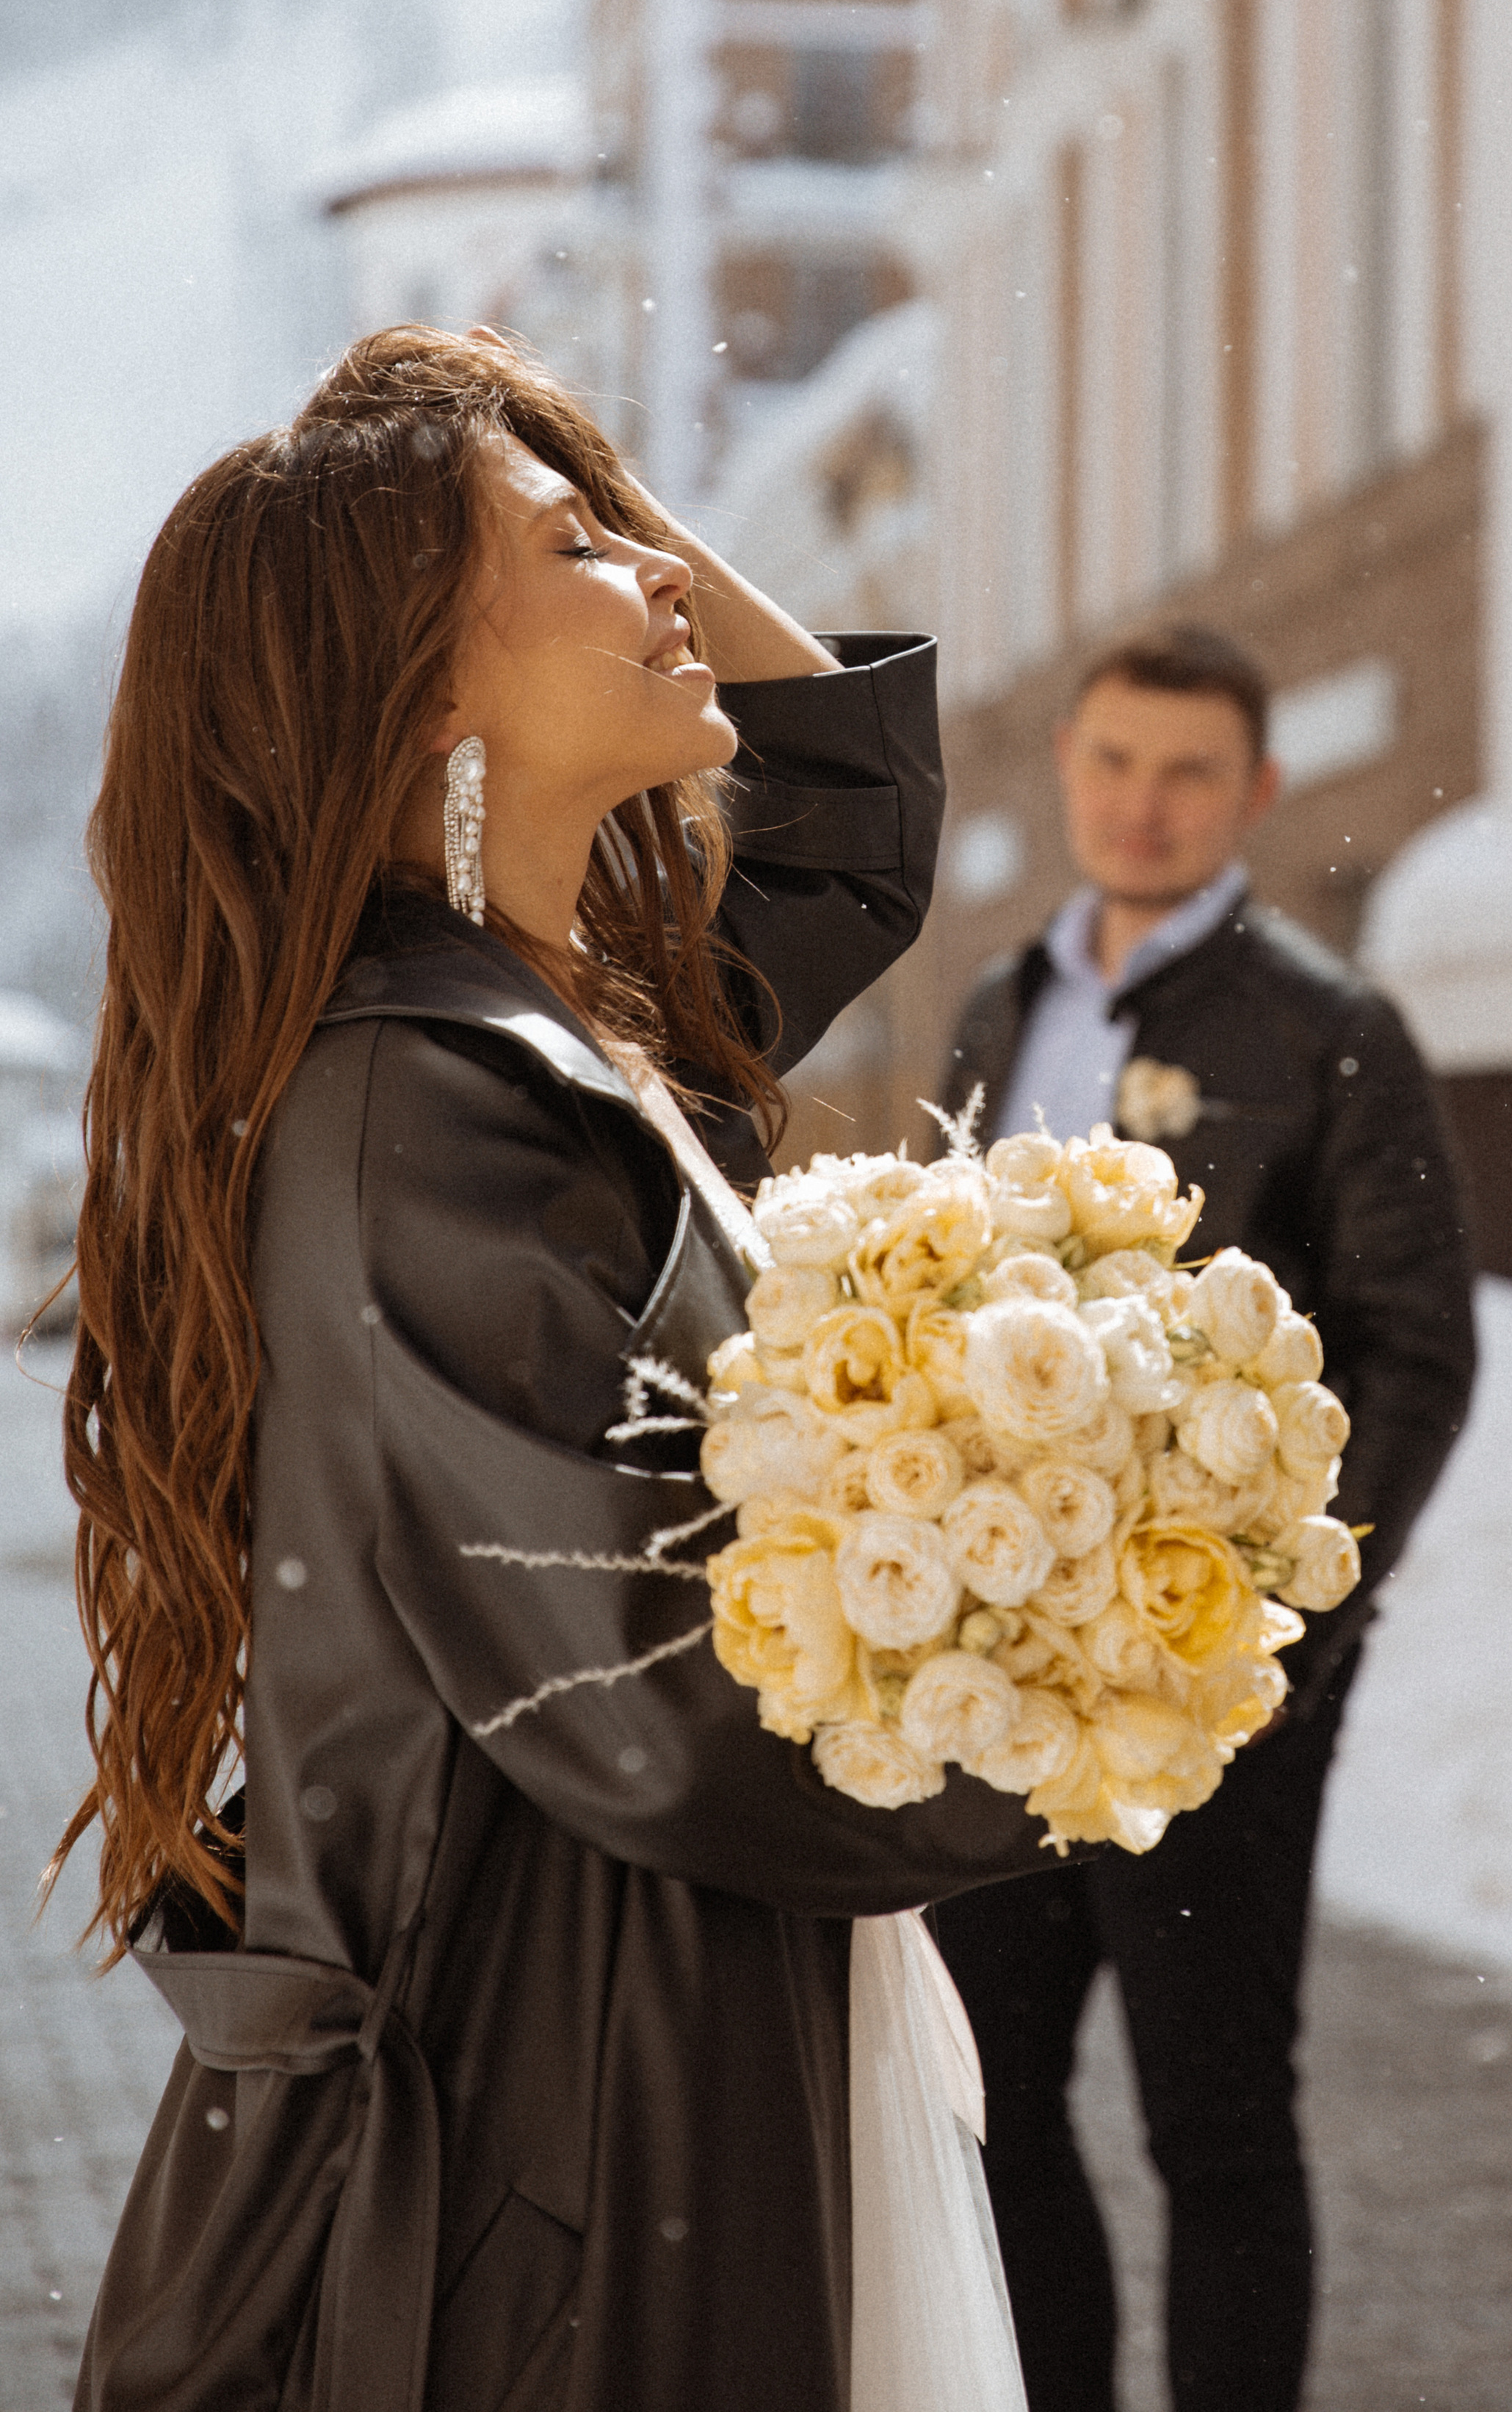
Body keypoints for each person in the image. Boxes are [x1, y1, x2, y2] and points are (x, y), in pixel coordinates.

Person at [53, 326, 1052, 2412]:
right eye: (588, 553)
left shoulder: (594, 1024)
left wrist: (531, 468)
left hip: (640, 2045)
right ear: (424, 683)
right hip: (548, 2133)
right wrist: (1076, 1694)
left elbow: (849, 801)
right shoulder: (428, 1103)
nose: (672, 568)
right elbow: (657, 1708)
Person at [933, 622, 1477, 2412]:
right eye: (1110, 760)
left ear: (1252, 792)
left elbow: (1412, 1349)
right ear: (1067, 768)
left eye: (1184, 772)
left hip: (1210, 1689)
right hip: (1001, 1671)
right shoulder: (1000, 1008)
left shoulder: (1326, 1032)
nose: (1140, 805)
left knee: (1216, 2130)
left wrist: (1298, 1625)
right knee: (990, 2103)